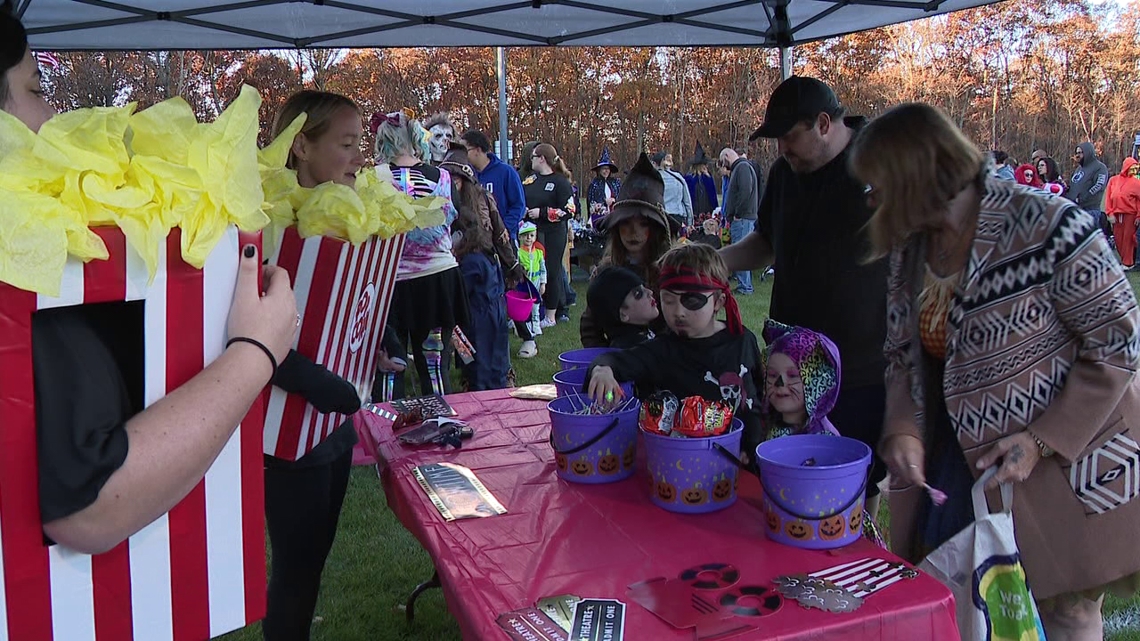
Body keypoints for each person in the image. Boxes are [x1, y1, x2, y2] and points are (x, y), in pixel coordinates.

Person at [3, 2, 299, 555]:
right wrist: (256, 351)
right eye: (37, 89)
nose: (52, 117)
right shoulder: (22, 267)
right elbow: (88, 507)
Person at [856, 102, 1140, 641]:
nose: (870, 201)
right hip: (960, 461)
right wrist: (903, 427)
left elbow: (1118, 342)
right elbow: (900, 354)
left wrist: (1040, 439)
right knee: (967, 601)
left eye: (878, 185)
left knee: (1067, 610)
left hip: (1064, 461)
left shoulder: (1046, 223)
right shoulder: (909, 250)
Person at [720, 75, 889, 513]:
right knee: (787, 475)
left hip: (860, 361)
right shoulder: (783, 174)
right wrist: (715, 261)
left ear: (823, 124)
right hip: (789, 361)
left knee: (854, 481)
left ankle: (854, 564)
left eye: (789, 137)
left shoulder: (878, 164)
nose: (781, 149)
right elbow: (764, 243)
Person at [263, 90, 368, 641]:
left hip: (334, 428)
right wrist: (318, 381)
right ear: (301, 144)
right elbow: (244, 332)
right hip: (286, 435)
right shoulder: (265, 221)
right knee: (296, 571)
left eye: (359, 144)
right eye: (345, 144)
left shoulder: (344, 222)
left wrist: (372, 340)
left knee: (314, 563)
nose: (357, 157)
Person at [585, 243, 764, 458]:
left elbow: (756, 400)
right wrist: (602, 369)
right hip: (681, 465)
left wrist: (753, 446)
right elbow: (614, 360)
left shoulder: (743, 341)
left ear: (718, 301)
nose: (678, 312)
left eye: (692, 301)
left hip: (744, 460)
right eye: (668, 300)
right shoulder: (662, 350)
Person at [375, 111, 468, 396]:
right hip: (438, 280)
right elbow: (455, 224)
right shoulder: (443, 177)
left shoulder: (375, 177)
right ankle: (443, 426)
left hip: (393, 283)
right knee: (434, 363)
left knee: (391, 363)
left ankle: (386, 428)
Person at [580, 153, 675, 348]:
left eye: (643, 224)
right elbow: (590, 327)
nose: (633, 232)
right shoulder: (605, 272)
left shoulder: (670, 271)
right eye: (625, 223)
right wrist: (607, 360)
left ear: (656, 230)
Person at [441, 149, 511, 390]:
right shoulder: (478, 257)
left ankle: (484, 394)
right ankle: (484, 385)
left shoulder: (472, 262)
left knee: (482, 365)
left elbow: (461, 295)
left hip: (480, 320)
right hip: (489, 315)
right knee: (484, 361)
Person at [758, 319, 841, 442]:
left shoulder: (824, 438)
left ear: (815, 381)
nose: (779, 383)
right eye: (772, 374)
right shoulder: (768, 425)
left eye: (792, 375)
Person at [522, 142, 575, 328]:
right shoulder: (530, 180)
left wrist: (543, 213)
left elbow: (569, 210)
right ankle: (530, 311)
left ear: (542, 159)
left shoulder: (560, 182)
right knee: (529, 270)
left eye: (534, 157)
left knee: (551, 271)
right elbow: (521, 199)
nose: (531, 160)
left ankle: (551, 315)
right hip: (531, 233)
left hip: (553, 233)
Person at [462, 130, 526, 244]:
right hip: (476, 240)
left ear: (478, 150)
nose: (463, 154)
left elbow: (518, 205)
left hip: (503, 240)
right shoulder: (466, 174)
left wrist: (504, 228)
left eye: (465, 150)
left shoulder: (506, 172)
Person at [718, 147, 760, 295]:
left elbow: (745, 191)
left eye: (723, 161)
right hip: (742, 217)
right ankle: (744, 284)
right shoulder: (740, 167)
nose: (724, 165)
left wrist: (737, 213)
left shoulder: (742, 168)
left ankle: (745, 286)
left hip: (742, 218)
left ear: (727, 156)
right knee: (740, 250)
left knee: (740, 252)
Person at [585, 266, 659, 349]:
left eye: (644, 286)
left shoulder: (640, 337)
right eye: (638, 294)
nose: (650, 292)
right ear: (623, 315)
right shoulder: (632, 350)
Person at [1065, 141, 1110, 235]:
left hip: (1090, 211)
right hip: (1076, 211)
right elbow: (1074, 185)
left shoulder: (1100, 167)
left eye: (1080, 153)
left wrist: (1082, 198)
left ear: (1088, 152)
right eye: (1076, 153)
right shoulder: (1079, 169)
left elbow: (1099, 185)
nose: (1077, 155)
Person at [515, 221, 545, 358]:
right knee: (523, 306)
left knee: (536, 305)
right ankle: (524, 326)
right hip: (524, 284)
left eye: (532, 236)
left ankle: (536, 323)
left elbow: (543, 269)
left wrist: (543, 283)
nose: (529, 239)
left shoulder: (538, 253)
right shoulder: (519, 253)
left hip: (536, 281)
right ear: (520, 237)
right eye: (525, 236)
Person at [1106, 157, 1140, 270]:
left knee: (1128, 238)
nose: (1134, 171)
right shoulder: (1113, 180)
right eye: (1132, 168)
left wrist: (1138, 215)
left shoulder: (1136, 183)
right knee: (1118, 238)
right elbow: (1108, 199)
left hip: (1130, 215)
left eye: (1136, 168)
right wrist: (1109, 213)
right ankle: (1123, 260)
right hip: (1116, 215)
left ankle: (1128, 262)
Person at [652, 150, 694, 230]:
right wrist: (690, 223)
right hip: (677, 218)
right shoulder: (678, 177)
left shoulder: (652, 179)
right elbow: (687, 202)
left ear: (654, 163)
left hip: (659, 217)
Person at [587, 147, 621, 223]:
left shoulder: (615, 183)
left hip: (614, 216)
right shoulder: (594, 184)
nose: (606, 171)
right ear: (599, 170)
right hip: (599, 218)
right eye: (603, 169)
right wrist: (604, 202)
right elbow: (591, 203)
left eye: (607, 169)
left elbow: (620, 198)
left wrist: (613, 200)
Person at [685, 142, 719, 217]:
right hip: (706, 212)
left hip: (694, 212)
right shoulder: (707, 178)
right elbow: (713, 200)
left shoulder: (689, 179)